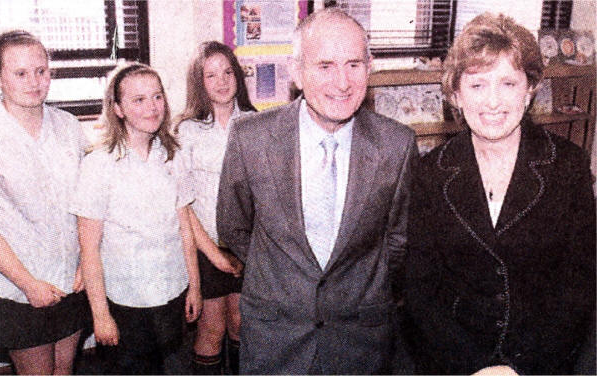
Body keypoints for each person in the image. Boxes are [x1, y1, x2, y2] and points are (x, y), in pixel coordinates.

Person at [217, 8, 418, 374]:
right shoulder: (251, 138)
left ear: (369, 67)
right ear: (296, 72)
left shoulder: (397, 145)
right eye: (325, 66)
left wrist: (354, 288)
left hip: (359, 340)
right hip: (275, 336)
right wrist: (283, 272)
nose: (342, 82)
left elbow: (398, 240)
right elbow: (233, 226)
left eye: (354, 64)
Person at [404, 12, 595, 375]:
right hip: (454, 365)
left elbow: (578, 286)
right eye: (477, 86)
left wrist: (517, 369)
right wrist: (475, 369)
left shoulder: (568, 166)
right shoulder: (430, 172)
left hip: (540, 364)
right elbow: (421, 293)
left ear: (530, 90)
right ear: (456, 95)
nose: (492, 102)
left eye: (508, 84)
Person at [70, 63, 224, 374]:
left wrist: (194, 286)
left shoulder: (172, 154)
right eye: (138, 100)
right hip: (124, 299)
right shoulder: (99, 164)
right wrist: (100, 315)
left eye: (157, 97)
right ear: (118, 109)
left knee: (166, 364)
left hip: (170, 290)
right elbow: (89, 249)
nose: (152, 107)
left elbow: (184, 227)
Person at [0, 30, 89, 375]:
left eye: (42, 71)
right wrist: (28, 284)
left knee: (62, 372)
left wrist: (86, 263)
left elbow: (87, 205)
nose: (35, 82)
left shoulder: (68, 126)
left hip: (72, 279)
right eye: (20, 73)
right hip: (20, 288)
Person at [175, 41, 254, 375]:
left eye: (227, 72)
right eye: (211, 75)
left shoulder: (255, 123)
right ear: (199, 82)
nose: (222, 81)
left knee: (240, 325)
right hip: (205, 246)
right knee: (211, 330)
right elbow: (183, 204)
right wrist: (212, 253)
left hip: (246, 247)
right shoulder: (186, 130)